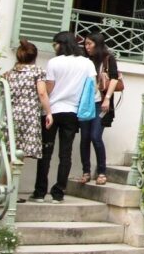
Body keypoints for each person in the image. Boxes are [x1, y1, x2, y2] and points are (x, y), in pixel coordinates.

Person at [36, 31, 93, 202]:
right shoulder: (86, 63)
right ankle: (58, 192)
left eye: (55, 44)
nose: (54, 48)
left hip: (51, 111)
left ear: (61, 44)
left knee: (45, 152)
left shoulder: (54, 62)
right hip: (72, 112)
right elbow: (92, 87)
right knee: (65, 154)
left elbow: (49, 88)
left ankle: (40, 192)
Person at [77, 33, 122, 185]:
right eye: (85, 44)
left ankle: (102, 172)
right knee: (84, 138)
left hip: (100, 103)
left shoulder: (108, 59)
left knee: (95, 136)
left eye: (90, 44)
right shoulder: (85, 60)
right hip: (86, 103)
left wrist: (107, 98)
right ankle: (86, 171)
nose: (87, 47)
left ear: (98, 44)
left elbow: (114, 78)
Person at [4, 41, 51, 175]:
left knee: (8, 151)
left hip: (11, 114)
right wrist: (49, 112)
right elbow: (42, 93)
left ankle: (5, 182)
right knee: (20, 154)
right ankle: (11, 182)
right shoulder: (38, 72)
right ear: (34, 56)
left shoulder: (10, 73)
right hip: (28, 115)